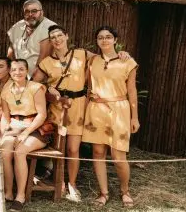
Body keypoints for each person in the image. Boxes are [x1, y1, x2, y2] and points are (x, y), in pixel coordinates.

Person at [32, 25, 132, 202]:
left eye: (60, 35)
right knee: (58, 148)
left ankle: (72, 183)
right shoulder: (46, 62)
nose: (57, 39)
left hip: (78, 106)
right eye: (53, 37)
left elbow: (107, 58)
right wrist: (49, 87)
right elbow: (33, 85)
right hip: (57, 108)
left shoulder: (82, 54)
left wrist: (125, 54)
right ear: (50, 41)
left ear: (67, 36)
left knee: (72, 148)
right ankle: (59, 182)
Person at [82, 26, 139, 208]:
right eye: (100, 37)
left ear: (115, 40)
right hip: (96, 109)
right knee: (98, 153)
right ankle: (104, 192)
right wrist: (84, 112)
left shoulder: (127, 62)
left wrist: (134, 117)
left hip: (119, 110)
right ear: (97, 41)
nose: (104, 40)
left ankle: (125, 191)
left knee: (118, 156)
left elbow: (132, 91)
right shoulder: (92, 61)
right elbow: (89, 88)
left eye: (108, 37)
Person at [0, 59, 48, 211]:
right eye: (14, 70)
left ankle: (20, 196)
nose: (17, 72)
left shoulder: (35, 88)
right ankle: (8, 192)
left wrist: (26, 132)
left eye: (21, 69)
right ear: (10, 72)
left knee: (20, 152)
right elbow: (6, 116)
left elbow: (42, 115)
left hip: (35, 128)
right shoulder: (6, 90)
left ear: (27, 71)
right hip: (14, 127)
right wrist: (3, 134)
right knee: (5, 151)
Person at [7, 0, 57, 74]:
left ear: (41, 12)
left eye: (34, 11)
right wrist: (14, 70)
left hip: (40, 75)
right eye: (27, 11)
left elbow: (44, 59)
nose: (30, 14)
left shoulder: (49, 27)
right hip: (18, 75)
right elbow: (11, 52)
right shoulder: (17, 26)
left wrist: (32, 81)